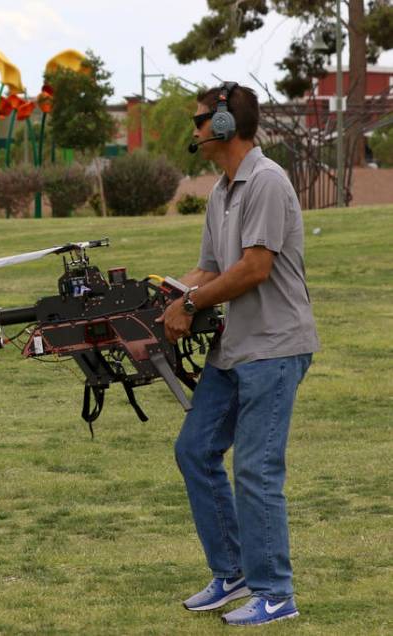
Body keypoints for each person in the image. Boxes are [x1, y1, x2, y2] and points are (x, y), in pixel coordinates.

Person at [159, 82, 319, 627]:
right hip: (235, 349)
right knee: (195, 450)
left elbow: (255, 268)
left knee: (255, 469)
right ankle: (233, 574)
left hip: (274, 348)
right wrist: (161, 301)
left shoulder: (266, 182)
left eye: (200, 121)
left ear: (225, 126)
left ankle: (277, 594)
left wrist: (193, 301)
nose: (195, 130)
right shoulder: (222, 191)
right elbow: (207, 267)